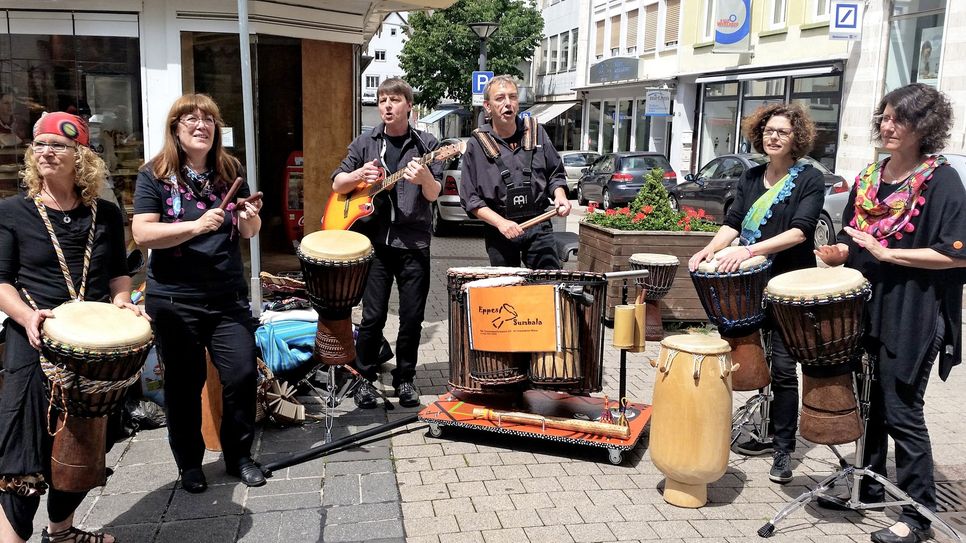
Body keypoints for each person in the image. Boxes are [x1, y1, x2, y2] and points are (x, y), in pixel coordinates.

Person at [816, 83, 966, 543]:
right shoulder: (869, 177)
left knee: (902, 411)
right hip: (866, 304)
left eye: (899, 118)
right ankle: (868, 484)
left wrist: (889, 254)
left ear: (925, 126)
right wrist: (838, 251)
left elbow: (958, 256)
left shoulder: (942, 180)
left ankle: (919, 518)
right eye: (883, 117)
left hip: (915, 310)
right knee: (870, 404)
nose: (887, 125)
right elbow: (854, 239)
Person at [0, 112, 139, 543]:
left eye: (56, 145)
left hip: (93, 349)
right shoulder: (13, 212)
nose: (44, 151)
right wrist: (26, 316)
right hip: (33, 336)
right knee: (23, 452)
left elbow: (119, 273)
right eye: (39, 145)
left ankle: (61, 532)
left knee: (83, 447)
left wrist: (122, 303)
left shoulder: (107, 214)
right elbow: (1, 281)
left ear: (80, 157)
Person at [132, 94, 264, 493]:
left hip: (226, 297)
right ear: (176, 128)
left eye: (208, 119)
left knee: (242, 375)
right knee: (184, 386)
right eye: (191, 119)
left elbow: (247, 233)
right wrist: (194, 227)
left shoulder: (229, 169)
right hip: (174, 300)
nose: (201, 125)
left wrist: (249, 219)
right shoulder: (154, 174)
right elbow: (142, 233)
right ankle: (189, 464)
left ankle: (238, 455)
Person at [687, 103, 824, 484]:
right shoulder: (751, 177)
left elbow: (800, 232)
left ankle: (783, 448)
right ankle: (733, 428)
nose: (773, 136)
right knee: (738, 361)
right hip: (747, 285)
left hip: (787, 287)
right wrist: (708, 250)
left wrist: (748, 251)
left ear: (797, 137)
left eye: (782, 131)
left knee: (782, 369)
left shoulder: (808, 179)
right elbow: (732, 223)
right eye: (768, 130)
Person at [331, 78, 441, 410]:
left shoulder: (428, 144)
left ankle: (404, 379)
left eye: (394, 100)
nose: (387, 106)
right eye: (382, 100)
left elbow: (434, 193)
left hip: (414, 244)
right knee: (373, 316)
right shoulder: (366, 142)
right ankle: (364, 379)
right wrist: (356, 176)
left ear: (409, 106)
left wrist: (425, 179)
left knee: (411, 318)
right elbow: (337, 183)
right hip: (375, 243)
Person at [459, 75, 572, 269]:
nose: (508, 103)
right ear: (487, 106)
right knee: (506, 289)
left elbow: (555, 173)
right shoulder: (477, 144)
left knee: (547, 284)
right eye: (500, 98)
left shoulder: (536, 132)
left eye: (512, 97)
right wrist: (501, 223)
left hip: (538, 223)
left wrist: (560, 195)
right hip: (499, 228)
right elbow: (470, 199)